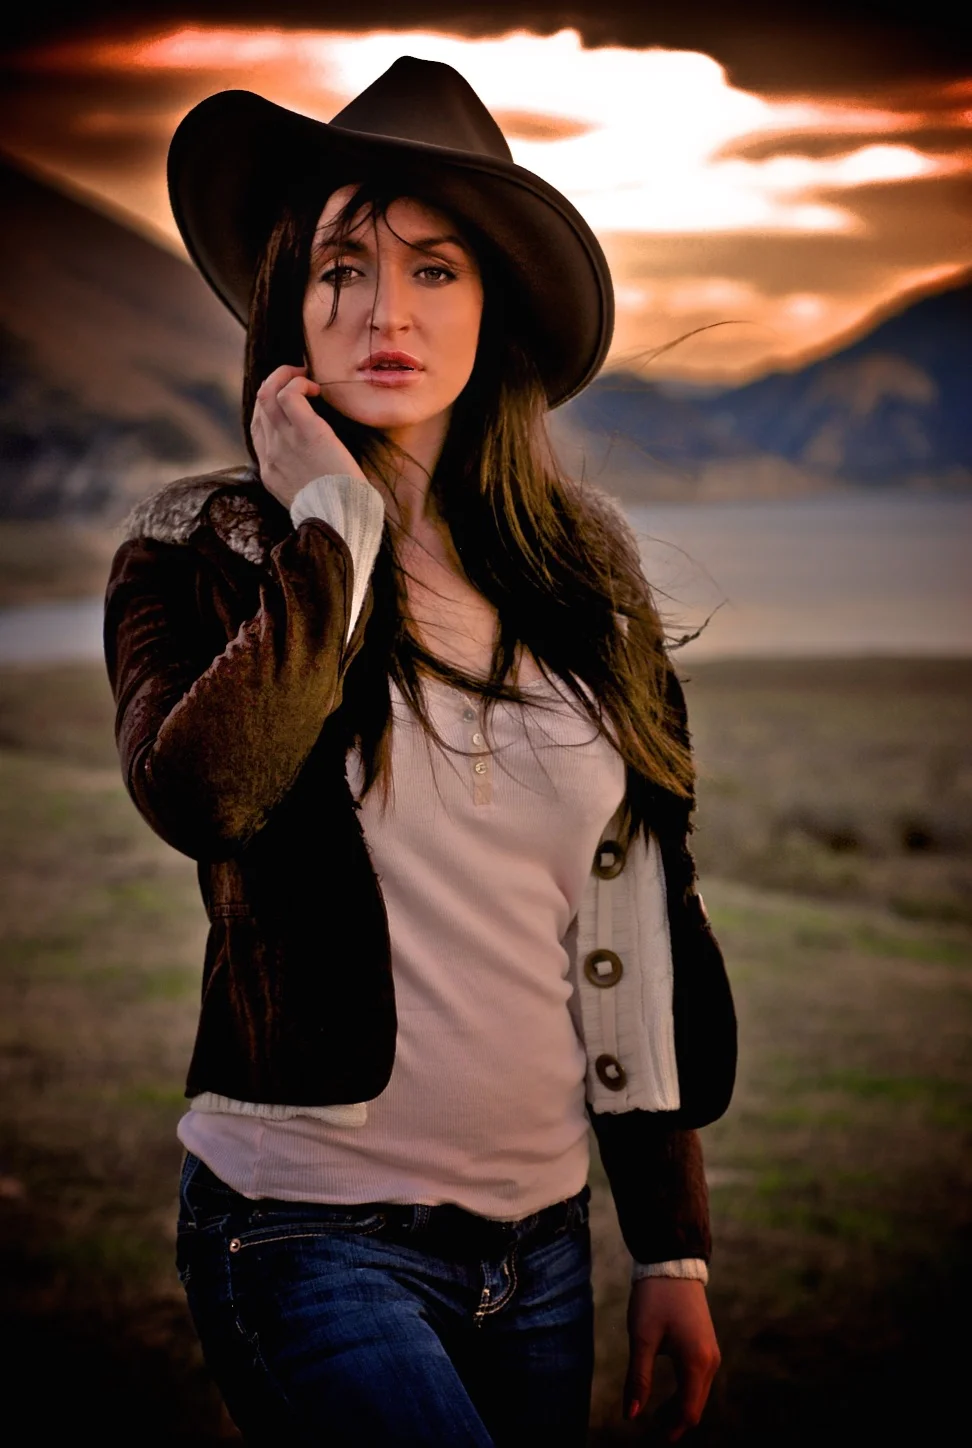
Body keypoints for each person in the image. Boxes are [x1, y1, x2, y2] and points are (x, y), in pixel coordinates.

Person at [103, 56, 736, 1447]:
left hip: (546, 1251)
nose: (383, 309)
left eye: (434, 268)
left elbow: (627, 923)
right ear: (289, 301)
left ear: (492, 304)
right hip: (307, 1236)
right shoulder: (197, 559)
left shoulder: (583, 585)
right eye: (342, 267)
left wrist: (672, 1248)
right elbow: (205, 791)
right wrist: (329, 522)